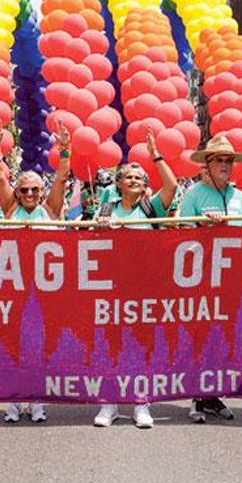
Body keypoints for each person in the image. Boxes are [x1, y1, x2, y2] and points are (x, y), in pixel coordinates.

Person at [92, 129, 177, 430]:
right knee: (110, 344)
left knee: (141, 344)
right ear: (117, 184)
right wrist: (99, 229)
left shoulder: (151, 207)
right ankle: (110, 402)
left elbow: (172, 184)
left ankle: (141, 402)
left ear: (144, 187)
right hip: (110, 288)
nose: (133, 181)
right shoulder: (105, 210)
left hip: (144, 288)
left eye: (139, 178)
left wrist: (155, 153)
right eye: (127, 177)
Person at [0, 120, 71, 423]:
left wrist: (64, 149)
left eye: (35, 189)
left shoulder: (49, 208)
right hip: (12, 286)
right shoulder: (10, 207)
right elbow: (0, 179)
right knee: (11, 344)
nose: (29, 194)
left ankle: (36, 399)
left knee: (41, 345)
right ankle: (14, 400)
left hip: (45, 289)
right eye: (24, 189)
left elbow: (61, 179)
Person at [178, 134, 242, 424]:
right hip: (201, 279)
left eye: (229, 160)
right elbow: (180, 232)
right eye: (219, 160)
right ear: (207, 165)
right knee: (201, 336)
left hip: (232, 280)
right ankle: (197, 395)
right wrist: (202, 225)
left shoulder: (240, 196)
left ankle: (214, 394)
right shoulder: (194, 195)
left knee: (224, 338)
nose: (225, 164)